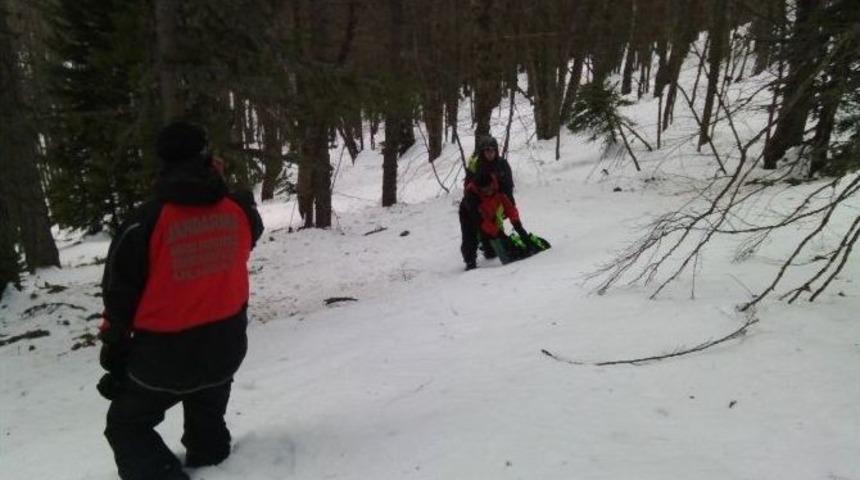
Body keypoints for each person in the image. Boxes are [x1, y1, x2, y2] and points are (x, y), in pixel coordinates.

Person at [97, 121, 264, 480]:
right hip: (225, 347)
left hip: (163, 358)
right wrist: (220, 186)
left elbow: (118, 296)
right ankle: (217, 466)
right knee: (207, 418)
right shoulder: (238, 211)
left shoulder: (143, 223)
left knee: (126, 427)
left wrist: (113, 350)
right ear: (208, 158)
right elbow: (250, 232)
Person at [460, 172, 535, 270]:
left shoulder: (499, 186)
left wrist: (518, 225)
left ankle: (489, 251)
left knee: (491, 244)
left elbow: (509, 208)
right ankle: (470, 262)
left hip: (491, 208)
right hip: (469, 213)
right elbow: (482, 222)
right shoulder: (472, 196)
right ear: (479, 189)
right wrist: (499, 234)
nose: (489, 192)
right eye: (485, 190)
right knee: (470, 236)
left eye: (490, 188)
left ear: (492, 183)